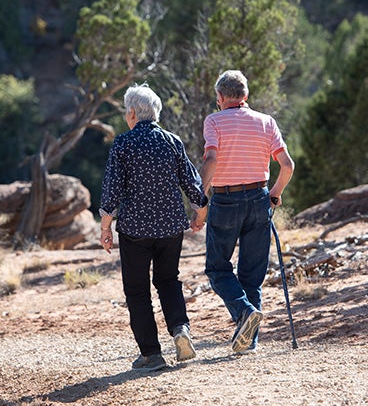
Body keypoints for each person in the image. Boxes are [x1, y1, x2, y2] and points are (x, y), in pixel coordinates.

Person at [99, 83, 209, 372]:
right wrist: (200, 210)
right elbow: (191, 181)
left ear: (133, 113)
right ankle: (181, 331)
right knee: (169, 281)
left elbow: (112, 189)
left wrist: (105, 227)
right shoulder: (172, 141)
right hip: (171, 226)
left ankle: (151, 354)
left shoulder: (123, 144)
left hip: (135, 230)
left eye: (127, 111)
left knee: (137, 291)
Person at [194, 69, 294, 354]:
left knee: (217, 268)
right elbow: (287, 165)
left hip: (226, 200)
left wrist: (200, 197)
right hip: (259, 198)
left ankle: (243, 313)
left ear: (220, 97)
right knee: (251, 274)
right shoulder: (266, 122)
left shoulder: (214, 121)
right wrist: (275, 194)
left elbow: (211, 158)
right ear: (246, 96)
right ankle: (248, 341)